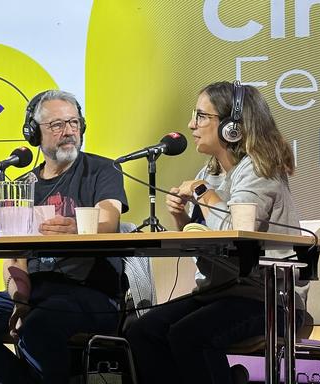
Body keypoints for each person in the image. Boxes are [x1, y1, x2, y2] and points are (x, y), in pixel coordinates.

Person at [0, 90, 130, 383]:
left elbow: (109, 219)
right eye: (57, 125)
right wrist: (20, 298)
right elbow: (14, 258)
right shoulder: (21, 186)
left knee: (38, 327)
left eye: (74, 123)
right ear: (34, 134)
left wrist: (78, 228)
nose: (69, 132)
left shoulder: (103, 169)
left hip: (92, 295)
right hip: (37, 292)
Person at [125, 81, 304, 383]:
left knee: (190, 335)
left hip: (268, 301)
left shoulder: (260, 169)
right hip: (217, 294)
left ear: (232, 126)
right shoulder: (210, 172)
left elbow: (238, 232)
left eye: (201, 116)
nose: (190, 124)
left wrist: (203, 194)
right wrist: (181, 217)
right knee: (142, 330)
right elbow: (205, 244)